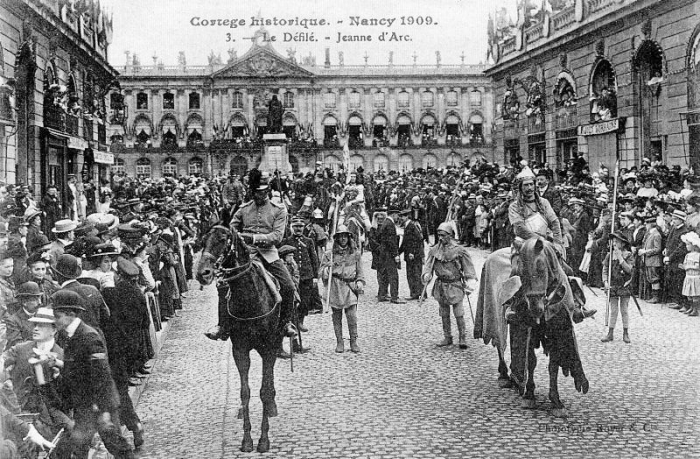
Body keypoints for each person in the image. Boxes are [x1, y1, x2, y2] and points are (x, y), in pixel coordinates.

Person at [206, 169, 297, 352]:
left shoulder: (278, 210)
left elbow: (277, 236)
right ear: (252, 192)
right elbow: (231, 229)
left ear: (268, 191)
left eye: (263, 192)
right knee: (223, 284)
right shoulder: (243, 209)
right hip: (245, 255)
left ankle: (285, 323)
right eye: (256, 192)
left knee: (288, 286)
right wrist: (236, 237)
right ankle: (222, 326)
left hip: (268, 254)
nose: (260, 195)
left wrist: (253, 238)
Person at [49, 290, 135, 459]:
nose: (55, 320)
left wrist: (102, 409)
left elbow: (101, 375)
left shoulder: (88, 336)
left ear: (71, 314)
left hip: (98, 404)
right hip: (85, 404)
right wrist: (59, 364)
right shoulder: (72, 335)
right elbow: (81, 367)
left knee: (115, 444)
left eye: (57, 316)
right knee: (79, 445)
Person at [101, 258, 147, 449]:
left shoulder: (111, 293)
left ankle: (125, 430)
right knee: (120, 389)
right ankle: (133, 425)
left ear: (119, 275)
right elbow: (145, 322)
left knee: (113, 392)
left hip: (112, 348)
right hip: (129, 349)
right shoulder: (137, 293)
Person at [421, 222, 477, 349]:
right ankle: (447, 337)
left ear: (450, 235)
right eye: (439, 235)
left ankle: (462, 337)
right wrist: (426, 275)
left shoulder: (459, 250)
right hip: (441, 285)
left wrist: (470, 282)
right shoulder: (435, 250)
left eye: (443, 235)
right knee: (444, 312)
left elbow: (468, 268)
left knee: (459, 312)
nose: (440, 238)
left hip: (455, 284)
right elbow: (428, 266)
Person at [320, 224, 365, 353]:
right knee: (337, 316)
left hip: (350, 287)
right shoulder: (329, 255)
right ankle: (339, 342)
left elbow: (360, 272)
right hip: (335, 286)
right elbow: (321, 270)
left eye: (345, 236)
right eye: (341, 236)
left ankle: (353, 341)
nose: (343, 239)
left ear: (349, 238)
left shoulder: (355, 254)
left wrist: (360, 282)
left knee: (351, 316)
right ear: (337, 239)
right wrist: (326, 270)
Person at [601, 232, 635, 343]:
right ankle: (610, 333)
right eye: (613, 242)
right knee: (613, 310)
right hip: (613, 285)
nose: (614, 244)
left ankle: (626, 332)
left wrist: (620, 257)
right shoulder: (609, 255)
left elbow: (629, 270)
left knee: (624, 310)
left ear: (623, 243)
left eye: (617, 242)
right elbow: (605, 269)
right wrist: (605, 282)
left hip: (624, 284)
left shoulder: (628, 255)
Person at [4, 281, 43, 350]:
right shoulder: (13, 321)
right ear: (24, 302)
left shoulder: (42, 316)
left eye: (39, 298)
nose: (40, 302)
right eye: (35, 299)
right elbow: (17, 344)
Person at [376, 208, 404, 304]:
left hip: (384, 253)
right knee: (393, 276)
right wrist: (395, 254)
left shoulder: (385, 223)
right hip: (389, 254)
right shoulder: (390, 224)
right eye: (397, 215)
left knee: (385, 275)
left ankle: (382, 295)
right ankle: (395, 297)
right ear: (393, 214)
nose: (398, 217)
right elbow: (391, 242)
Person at [399, 208, 425, 300]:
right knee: (414, 274)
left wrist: (412, 252)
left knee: (414, 275)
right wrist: (398, 252)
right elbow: (405, 242)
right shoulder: (408, 226)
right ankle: (420, 294)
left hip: (414, 255)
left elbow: (418, 240)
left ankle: (417, 294)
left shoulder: (411, 226)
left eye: (402, 216)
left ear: (407, 217)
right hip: (411, 255)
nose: (400, 218)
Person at [639, 215, 663, 303]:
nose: (646, 226)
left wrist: (645, 252)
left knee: (654, 279)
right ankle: (654, 296)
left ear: (651, 225)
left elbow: (658, 249)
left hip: (654, 261)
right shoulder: (651, 234)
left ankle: (656, 297)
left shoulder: (656, 235)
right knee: (651, 278)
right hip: (650, 260)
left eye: (647, 224)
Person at [680, 232, 700, 317]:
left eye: (688, 245)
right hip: (688, 276)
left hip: (695, 277)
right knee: (689, 294)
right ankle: (691, 307)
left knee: (694, 294)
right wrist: (683, 266)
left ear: (694, 245)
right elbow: (685, 264)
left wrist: (688, 267)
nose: (686, 246)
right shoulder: (687, 255)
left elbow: (697, 266)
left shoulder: (697, 255)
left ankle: (695, 309)